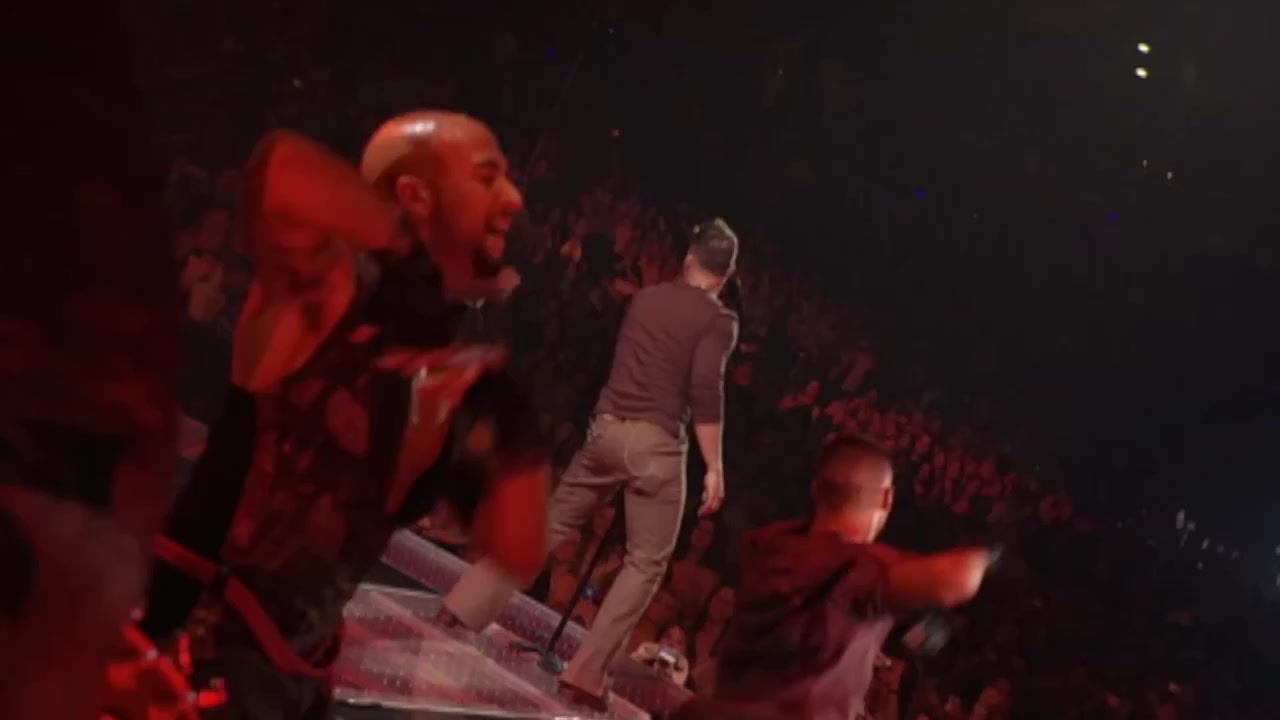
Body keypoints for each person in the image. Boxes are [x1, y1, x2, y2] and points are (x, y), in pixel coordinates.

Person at [139, 111, 551, 718]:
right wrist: (401, 243)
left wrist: (511, 433)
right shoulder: (330, 289)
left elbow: (518, 551)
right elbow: (279, 168)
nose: (512, 200)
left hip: (291, 684)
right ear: (415, 194)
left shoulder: (456, 379)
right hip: (181, 648)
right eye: (488, 177)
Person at [440, 218, 742, 708]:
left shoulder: (646, 299)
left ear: (688, 260)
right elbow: (706, 388)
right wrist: (715, 465)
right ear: (724, 276)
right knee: (646, 561)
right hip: (656, 445)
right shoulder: (719, 320)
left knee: (552, 523)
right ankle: (585, 674)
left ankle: (463, 605)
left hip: (606, 428)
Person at [672, 436, 999, 720]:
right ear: (887, 499)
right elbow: (959, 579)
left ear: (816, 489)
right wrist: (993, 555)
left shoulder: (767, 545)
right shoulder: (859, 575)